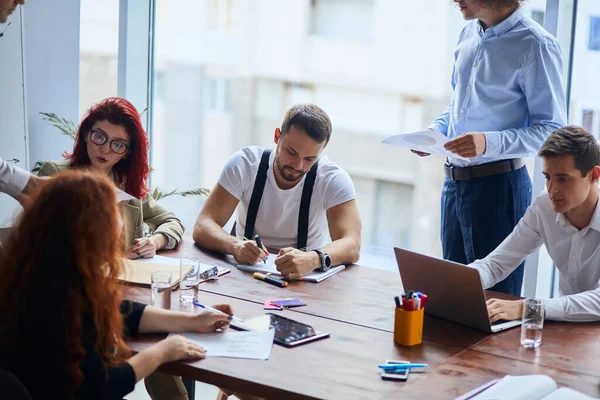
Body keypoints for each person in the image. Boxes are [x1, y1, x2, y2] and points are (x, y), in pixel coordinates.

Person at [0, 171, 233, 399]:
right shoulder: (60, 299)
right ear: (90, 234)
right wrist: (163, 351)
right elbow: (103, 386)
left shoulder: (40, 274)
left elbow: (121, 311)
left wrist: (192, 321)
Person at [415, 0, 567, 296]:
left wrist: (488, 143)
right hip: (453, 187)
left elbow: (552, 131)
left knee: (495, 305)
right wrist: (436, 131)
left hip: (500, 190)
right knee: (455, 300)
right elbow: (458, 103)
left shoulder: (535, 44)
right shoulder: (467, 34)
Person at [193, 104, 361, 279]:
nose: (298, 165)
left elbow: (352, 244)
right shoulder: (245, 164)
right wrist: (235, 245)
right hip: (243, 275)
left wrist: (313, 258)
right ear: (277, 136)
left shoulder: (332, 179)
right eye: (292, 152)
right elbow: (203, 225)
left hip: (302, 281)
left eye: (310, 158)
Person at [472, 126, 600, 322]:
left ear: (594, 175)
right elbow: (496, 264)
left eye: (563, 179)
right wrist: (456, 282)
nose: (552, 189)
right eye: (548, 177)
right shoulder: (544, 207)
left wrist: (529, 307)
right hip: (564, 328)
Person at [38, 97, 184, 259]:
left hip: (123, 281)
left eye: (118, 144)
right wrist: (120, 259)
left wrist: (155, 242)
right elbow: (42, 245)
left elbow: (172, 221)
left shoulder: (126, 184)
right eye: (99, 137)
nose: (105, 149)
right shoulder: (55, 174)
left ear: (127, 153)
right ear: (86, 134)